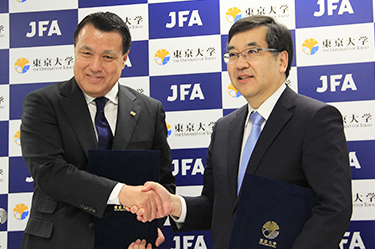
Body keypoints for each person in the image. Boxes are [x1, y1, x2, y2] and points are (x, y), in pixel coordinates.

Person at [130, 15, 352, 249]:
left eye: (252, 52)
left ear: (282, 61)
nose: (240, 63)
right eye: (233, 54)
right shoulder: (224, 128)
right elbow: (216, 206)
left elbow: (333, 207)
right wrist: (174, 205)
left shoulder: (315, 118)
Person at [20, 11, 175, 248]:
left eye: (107, 57)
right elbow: (49, 173)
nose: (95, 66)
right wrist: (122, 193)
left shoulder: (149, 110)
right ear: (75, 52)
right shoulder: (43, 103)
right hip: (57, 241)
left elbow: (162, 181)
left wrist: (152, 224)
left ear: (124, 60)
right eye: (86, 53)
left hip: (128, 241)